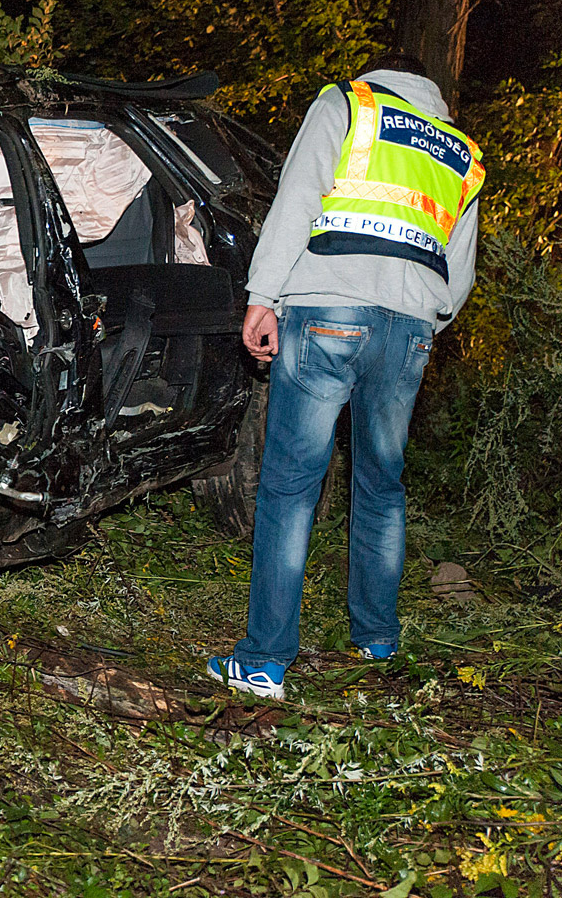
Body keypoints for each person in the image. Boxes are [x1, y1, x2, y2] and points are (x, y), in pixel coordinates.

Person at [207, 52, 485, 699]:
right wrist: (422, 324)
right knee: (382, 484)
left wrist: (263, 296)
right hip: (409, 326)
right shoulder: (462, 153)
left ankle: (264, 660)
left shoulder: (350, 104)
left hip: (328, 310)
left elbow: (297, 201)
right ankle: (378, 637)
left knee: (290, 485)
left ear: (375, 75)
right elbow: (459, 275)